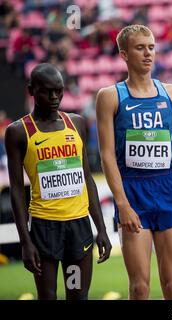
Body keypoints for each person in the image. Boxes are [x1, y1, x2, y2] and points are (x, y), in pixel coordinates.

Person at [95, 25, 172, 300]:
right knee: (140, 287)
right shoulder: (109, 96)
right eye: (140, 48)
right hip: (132, 191)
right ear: (124, 54)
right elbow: (106, 155)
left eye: (151, 47)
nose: (147, 53)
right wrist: (122, 204)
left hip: (168, 188)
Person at [5, 63, 111, 300]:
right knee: (48, 297)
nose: (55, 97)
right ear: (32, 90)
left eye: (59, 91)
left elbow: (86, 179)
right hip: (45, 229)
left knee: (77, 295)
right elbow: (16, 192)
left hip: (78, 228)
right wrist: (25, 241)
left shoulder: (77, 124)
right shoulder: (18, 132)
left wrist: (101, 229)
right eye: (47, 91)